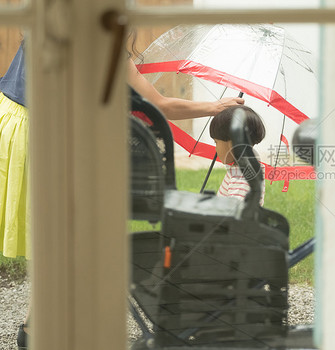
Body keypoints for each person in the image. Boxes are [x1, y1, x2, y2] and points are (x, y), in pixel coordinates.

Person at [2, 38, 242, 348]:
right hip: (46, 132)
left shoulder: (56, 14)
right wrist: (215, 106)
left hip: (15, 121)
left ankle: (39, 328)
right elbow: (161, 106)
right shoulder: (104, 39)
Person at [209, 105, 266, 206]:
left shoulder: (242, 177)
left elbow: (234, 213)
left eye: (216, 142)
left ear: (233, 144)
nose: (215, 148)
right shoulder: (244, 165)